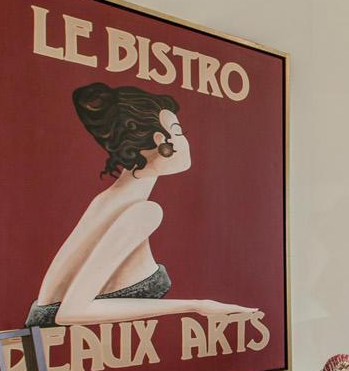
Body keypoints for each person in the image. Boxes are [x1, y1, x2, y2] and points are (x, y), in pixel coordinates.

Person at [26, 82, 258, 327]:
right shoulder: (142, 211)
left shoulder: (111, 199)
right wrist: (197, 305)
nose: (186, 141)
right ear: (162, 141)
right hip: (55, 345)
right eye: (178, 132)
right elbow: (70, 313)